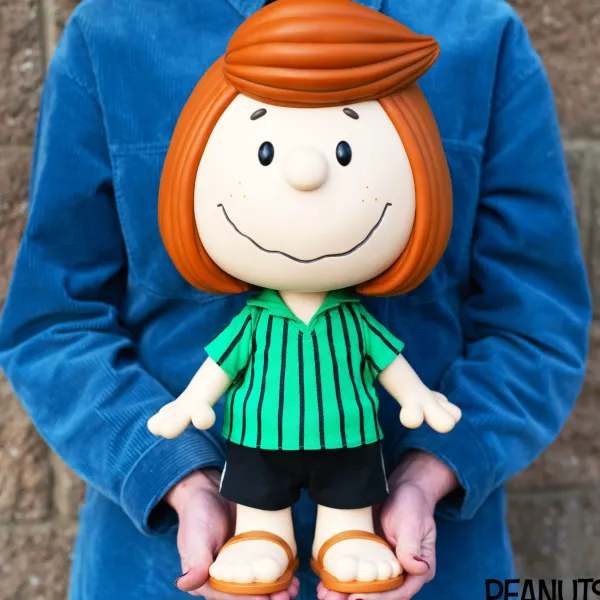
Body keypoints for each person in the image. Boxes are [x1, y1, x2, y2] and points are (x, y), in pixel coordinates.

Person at [0, 0, 590, 598]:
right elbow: (54, 323)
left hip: (436, 561)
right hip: (154, 569)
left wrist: (434, 463)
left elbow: (536, 324)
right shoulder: (111, 32)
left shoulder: (482, 35)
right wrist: (171, 469)